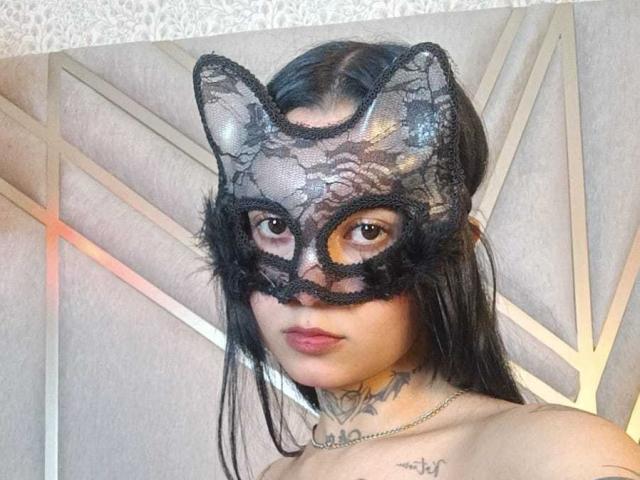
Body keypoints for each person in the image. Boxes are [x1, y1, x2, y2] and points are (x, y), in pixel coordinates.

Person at [192, 40, 640, 480]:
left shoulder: (559, 455)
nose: (308, 289)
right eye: (274, 226)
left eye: (367, 232)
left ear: (452, 247)